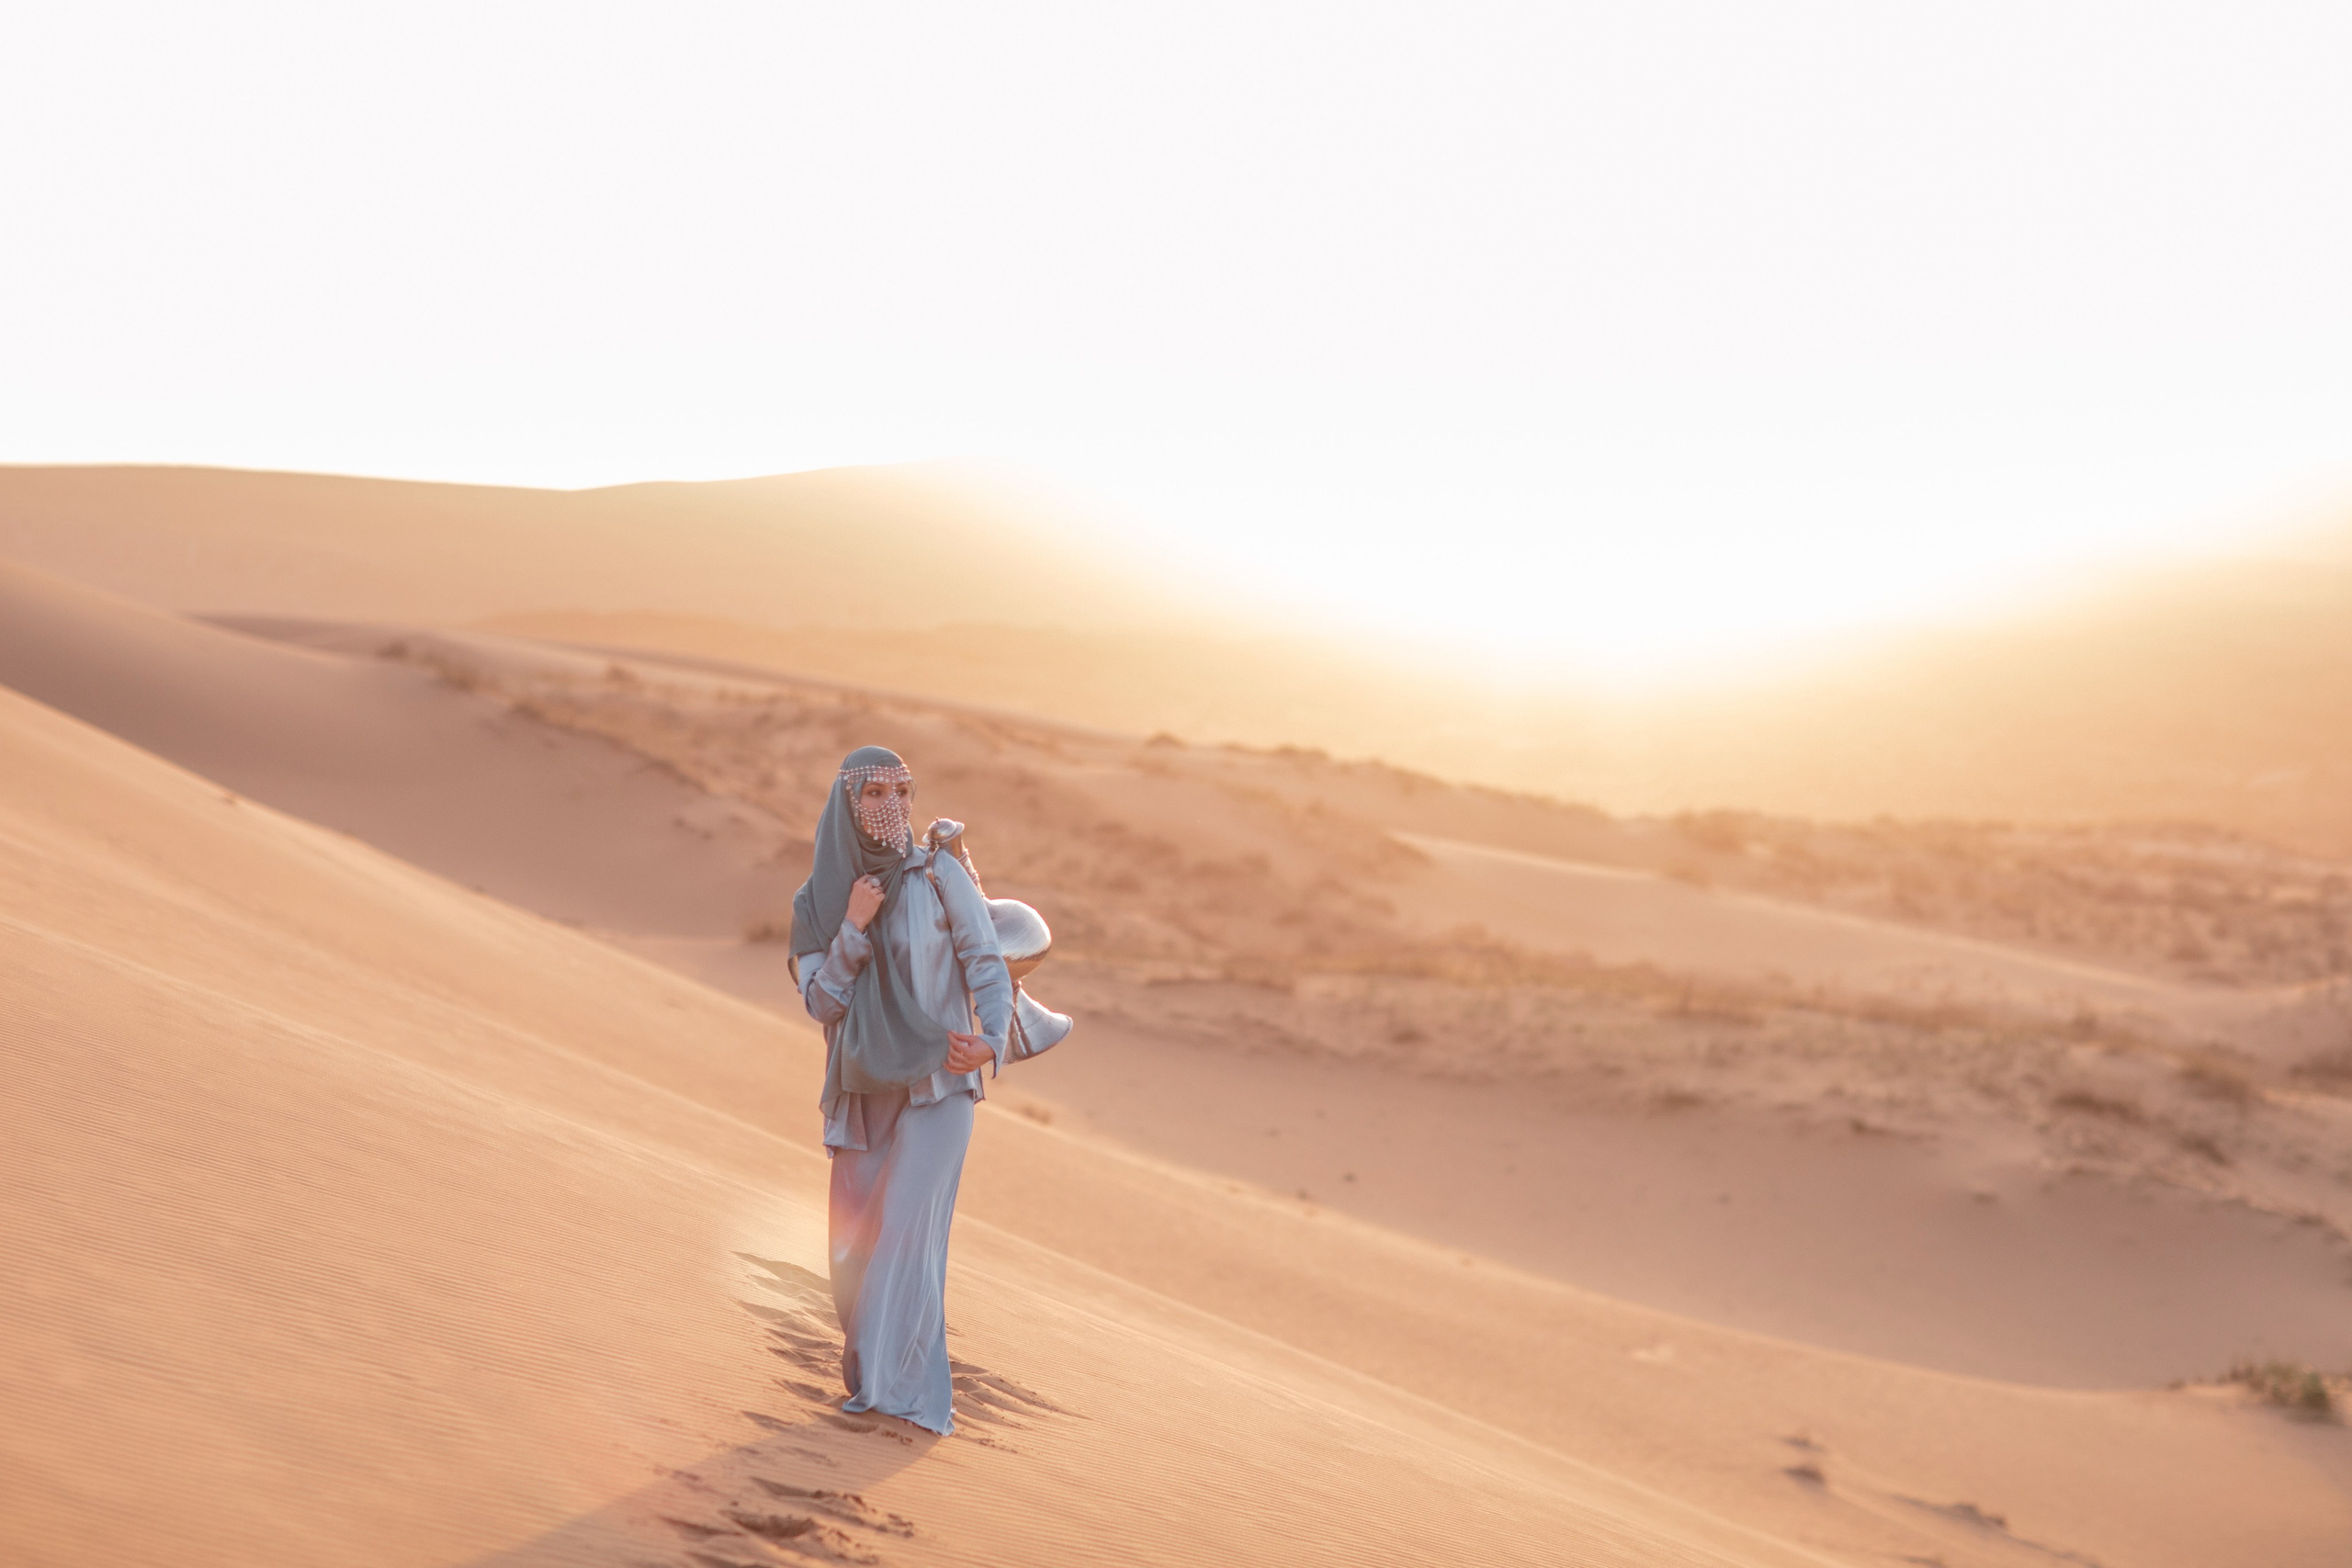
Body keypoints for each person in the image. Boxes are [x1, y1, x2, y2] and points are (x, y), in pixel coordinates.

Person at [790, 745, 1012, 1435]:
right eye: (875, 792)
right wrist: (854, 926)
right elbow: (822, 1003)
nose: (894, 806)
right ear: (846, 806)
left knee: (906, 1240)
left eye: (904, 790)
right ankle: (872, 1373)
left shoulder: (942, 876)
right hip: (864, 1094)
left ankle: (895, 1395)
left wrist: (993, 1038)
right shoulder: (818, 904)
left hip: (941, 1085)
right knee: (853, 1253)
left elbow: (987, 962)